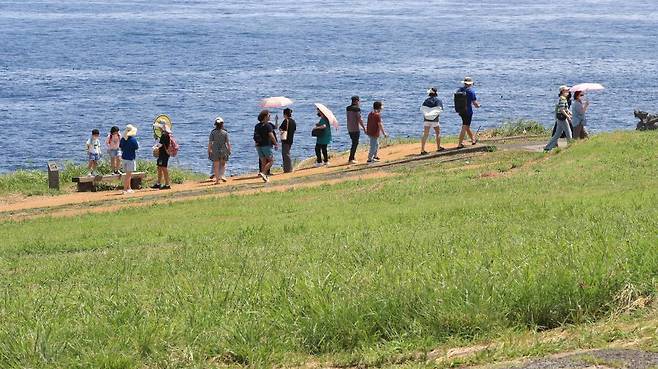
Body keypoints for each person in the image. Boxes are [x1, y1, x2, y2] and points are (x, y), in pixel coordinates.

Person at [544, 85, 573, 151]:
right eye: (566, 90)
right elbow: (562, 109)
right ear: (562, 91)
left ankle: (547, 148)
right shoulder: (562, 99)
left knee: (557, 134)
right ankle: (571, 147)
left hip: (560, 118)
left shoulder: (563, 98)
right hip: (562, 119)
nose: (568, 92)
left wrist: (570, 113)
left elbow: (565, 109)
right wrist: (568, 116)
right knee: (569, 133)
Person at [254, 110, 278, 182]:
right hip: (266, 145)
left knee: (263, 161)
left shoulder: (257, 126)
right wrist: (276, 143)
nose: (269, 117)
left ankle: (264, 176)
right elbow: (271, 136)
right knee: (271, 161)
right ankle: (263, 173)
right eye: (269, 115)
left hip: (258, 146)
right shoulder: (268, 125)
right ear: (265, 117)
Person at [456, 77, 480, 148]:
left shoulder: (459, 90)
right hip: (468, 112)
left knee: (466, 125)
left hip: (461, 111)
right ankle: (459, 144)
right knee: (465, 126)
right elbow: (475, 104)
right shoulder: (471, 92)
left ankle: (473, 139)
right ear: (470, 84)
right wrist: (478, 105)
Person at [421, 87, 445, 154]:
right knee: (438, 132)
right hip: (435, 120)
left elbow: (422, 109)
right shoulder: (438, 101)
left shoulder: (426, 101)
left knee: (425, 134)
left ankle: (422, 150)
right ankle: (438, 147)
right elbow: (440, 109)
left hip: (426, 119)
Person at [208, 116, 231, 184]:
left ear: (215, 124)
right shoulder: (225, 132)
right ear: (222, 124)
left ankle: (217, 180)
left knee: (216, 165)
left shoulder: (212, 132)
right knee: (223, 164)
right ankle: (222, 175)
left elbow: (210, 143)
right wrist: (229, 150)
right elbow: (228, 143)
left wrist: (209, 151)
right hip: (223, 149)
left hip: (215, 150)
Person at [119, 124, 139, 194]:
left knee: (127, 174)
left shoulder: (123, 139)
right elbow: (136, 147)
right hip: (130, 158)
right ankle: (125, 189)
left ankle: (129, 188)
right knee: (128, 175)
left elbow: (120, 146)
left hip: (124, 157)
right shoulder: (133, 139)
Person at [346, 96, 366, 164]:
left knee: (353, 142)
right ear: (357, 101)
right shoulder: (357, 109)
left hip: (349, 127)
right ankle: (351, 158)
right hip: (355, 129)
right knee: (355, 143)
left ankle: (352, 157)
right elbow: (360, 119)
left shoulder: (348, 108)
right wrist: (364, 128)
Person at [151, 125, 171, 190]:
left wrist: (155, 147)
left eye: (159, 128)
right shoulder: (166, 135)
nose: (159, 129)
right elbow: (162, 143)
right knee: (159, 167)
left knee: (164, 168)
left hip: (163, 155)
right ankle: (159, 183)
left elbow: (160, 144)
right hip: (163, 154)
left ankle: (167, 184)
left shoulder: (164, 135)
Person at [279, 108, 296, 173]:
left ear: (285, 114)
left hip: (285, 139)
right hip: (291, 139)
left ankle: (288, 169)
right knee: (287, 153)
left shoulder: (286, 121)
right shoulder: (293, 121)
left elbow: (281, 128)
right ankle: (288, 168)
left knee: (285, 154)